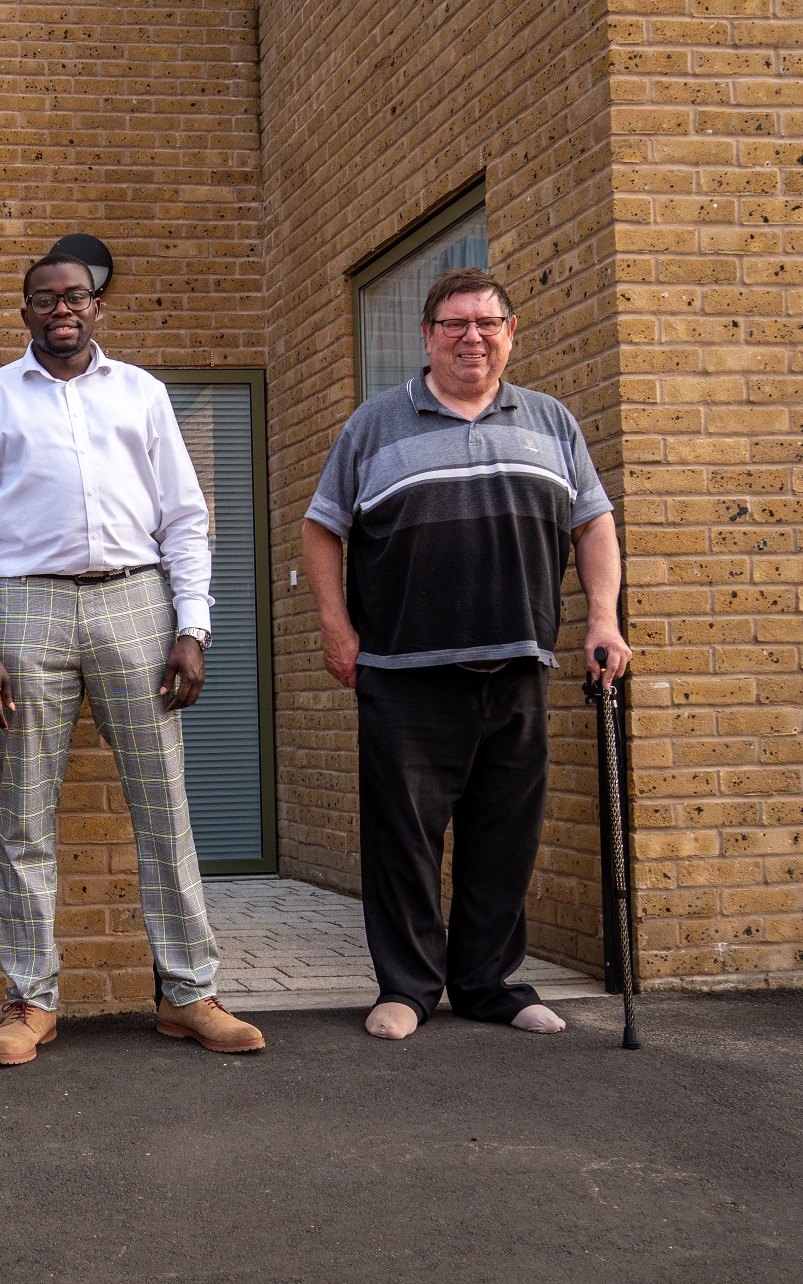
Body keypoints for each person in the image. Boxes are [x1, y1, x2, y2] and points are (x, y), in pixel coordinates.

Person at [0, 253, 265, 1067]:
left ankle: (189, 994)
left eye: (74, 296)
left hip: (135, 604)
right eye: (43, 299)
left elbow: (186, 519)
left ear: (95, 307)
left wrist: (193, 627)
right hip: (26, 608)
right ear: (25, 314)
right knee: (25, 817)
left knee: (164, 809)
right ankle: (30, 1001)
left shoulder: (141, 394)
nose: (60, 310)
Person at [301, 266, 631, 1041]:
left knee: (502, 837)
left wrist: (602, 620)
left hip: (516, 663)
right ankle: (407, 990)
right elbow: (322, 527)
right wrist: (335, 627)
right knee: (403, 844)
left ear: (509, 333)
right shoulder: (376, 424)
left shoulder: (551, 423)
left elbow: (592, 525)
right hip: (404, 672)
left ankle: (491, 985)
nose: (470, 337)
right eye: (453, 324)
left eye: (486, 323)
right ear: (426, 336)